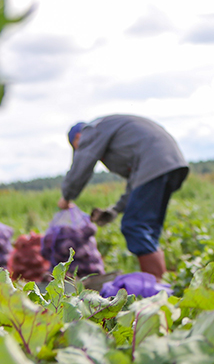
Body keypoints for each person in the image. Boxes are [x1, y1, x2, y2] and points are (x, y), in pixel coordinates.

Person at [59, 115, 189, 281]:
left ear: (78, 138)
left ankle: (156, 286)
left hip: (156, 163)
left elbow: (82, 165)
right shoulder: (111, 132)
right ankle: (163, 283)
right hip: (171, 164)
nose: (82, 149)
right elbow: (136, 182)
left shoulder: (90, 131)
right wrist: (115, 210)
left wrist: (67, 196)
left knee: (134, 226)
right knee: (148, 230)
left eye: (78, 147)